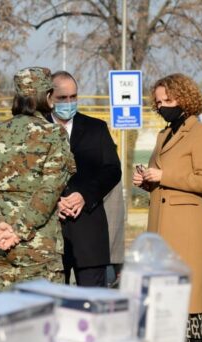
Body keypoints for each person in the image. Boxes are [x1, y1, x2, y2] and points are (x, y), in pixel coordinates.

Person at [0, 67, 76, 294]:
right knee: (39, 321)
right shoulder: (54, 134)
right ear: (47, 97)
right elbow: (50, 189)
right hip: (37, 245)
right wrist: (18, 231)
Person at [132, 73, 202, 342]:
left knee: (191, 298)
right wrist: (146, 180)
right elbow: (163, 180)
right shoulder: (164, 134)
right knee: (162, 298)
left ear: (184, 97)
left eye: (167, 100)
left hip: (186, 227)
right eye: (158, 102)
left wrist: (165, 175)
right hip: (159, 225)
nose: (162, 105)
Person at [46, 71, 122, 287]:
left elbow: (112, 169)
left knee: (91, 306)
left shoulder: (95, 128)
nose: (69, 102)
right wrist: (53, 202)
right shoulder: (36, 129)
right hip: (50, 233)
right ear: (49, 98)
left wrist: (84, 196)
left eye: (73, 97)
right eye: (63, 98)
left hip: (88, 231)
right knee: (52, 306)